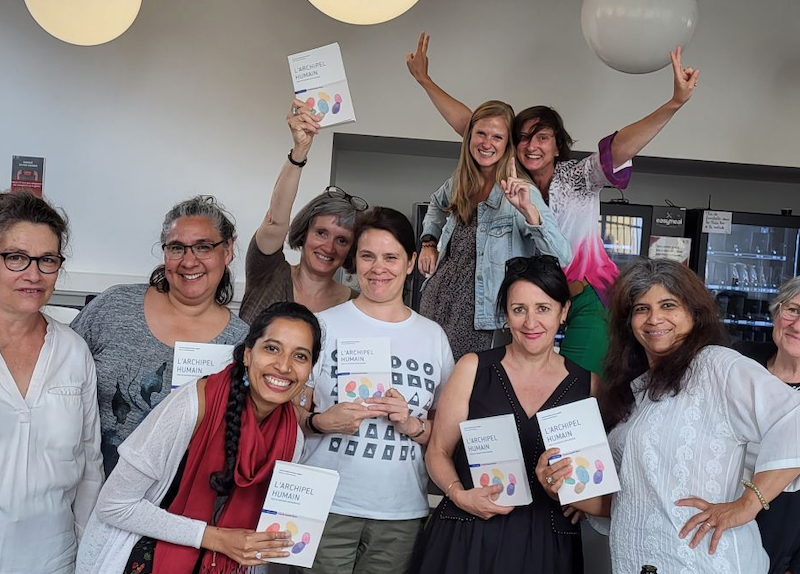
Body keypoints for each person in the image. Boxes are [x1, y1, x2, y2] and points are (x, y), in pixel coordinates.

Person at [407, 32, 700, 374]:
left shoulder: (578, 176)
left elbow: (620, 148)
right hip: (534, 303)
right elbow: (476, 128)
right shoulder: (508, 181)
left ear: (558, 146)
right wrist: (425, 80)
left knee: (573, 382)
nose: (532, 146)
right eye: (523, 138)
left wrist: (674, 103)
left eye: (543, 137)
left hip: (584, 297)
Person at [536, 259, 800, 574]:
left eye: (668, 305)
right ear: (628, 322)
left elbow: (794, 418)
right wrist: (564, 487)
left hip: (706, 562)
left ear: (694, 313)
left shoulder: (716, 365)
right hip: (640, 562)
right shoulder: (636, 389)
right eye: (641, 309)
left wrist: (749, 503)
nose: (654, 318)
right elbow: (630, 502)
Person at [76, 302, 320, 574]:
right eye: (272, 348)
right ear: (248, 354)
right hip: (144, 560)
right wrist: (216, 538)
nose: (284, 366)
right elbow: (113, 505)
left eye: (300, 356)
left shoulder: (291, 439)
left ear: (310, 370)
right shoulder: (193, 406)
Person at [294, 207, 455, 574]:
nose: (378, 268)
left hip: (400, 512)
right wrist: (321, 421)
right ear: (355, 261)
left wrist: (411, 424)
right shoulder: (323, 326)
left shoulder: (432, 337)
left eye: (390, 257)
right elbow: (286, 413)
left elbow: (445, 435)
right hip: (325, 504)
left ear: (411, 262)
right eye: (367, 256)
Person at [412, 255, 592, 574]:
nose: (531, 322)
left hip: (546, 541)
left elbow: (601, 468)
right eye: (519, 309)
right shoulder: (473, 368)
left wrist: (585, 497)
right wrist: (459, 494)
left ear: (563, 311)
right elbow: (438, 450)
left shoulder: (588, 385)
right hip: (468, 532)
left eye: (543, 308)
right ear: (506, 315)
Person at [71, 195, 249, 475]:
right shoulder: (115, 306)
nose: (189, 261)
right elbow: (58, 371)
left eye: (203, 247)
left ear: (227, 251)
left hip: (177, 494)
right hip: (86, 480)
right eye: (177, 248)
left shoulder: (241, 344)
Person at [417, 99, 571, 361]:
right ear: (469, 137)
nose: (487, 143)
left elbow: (562, 256)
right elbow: (435, 204)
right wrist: (429, 242)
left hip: (479, 317)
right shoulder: (460, 182)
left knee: (467, 383)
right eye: (481, 133)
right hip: (436, 301)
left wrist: (529, 212)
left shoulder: (522, 191)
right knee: (428, 377)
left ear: (507, 143)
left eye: (497, 137)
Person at [0, 191, 103, 574]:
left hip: (53, 557)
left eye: (47, 260)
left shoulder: (73, 351)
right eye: (16, 257)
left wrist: (86, 554)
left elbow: (89, 464)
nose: (34, 274)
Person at [239, 99, 368, 323]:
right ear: (305, 232)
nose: (329, 247)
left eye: (342, 240)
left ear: (352, 249)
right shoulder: (268, 272)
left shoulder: (357, 305)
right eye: (321, 233)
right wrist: (300, 151)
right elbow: (275, 221)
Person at [736, 276, 800, 574]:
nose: (797, 325)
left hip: (783, 533)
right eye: (793, 310)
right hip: (719, 509)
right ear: (776, 313)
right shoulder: (740, 360)